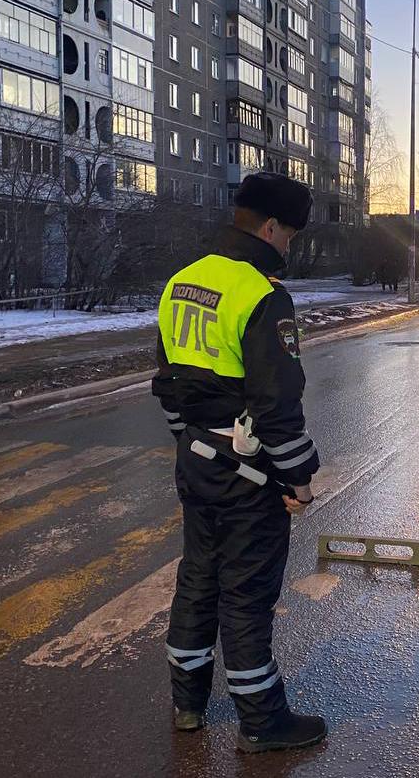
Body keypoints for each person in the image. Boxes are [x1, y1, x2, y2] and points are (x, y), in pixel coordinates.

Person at [152, 172, 325, 754]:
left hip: (196, 461)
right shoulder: (260, 293)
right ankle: (261, 721)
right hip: (249, 472)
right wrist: (298, 477)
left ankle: (187, 705)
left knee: (197, 579)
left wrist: (188, 441)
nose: (289, 248)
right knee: (246, 595)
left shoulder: (182, 281)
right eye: (290, 237)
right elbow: (277, 403)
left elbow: (168, 381)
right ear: (271, 227)